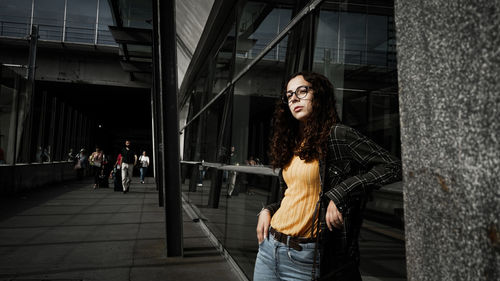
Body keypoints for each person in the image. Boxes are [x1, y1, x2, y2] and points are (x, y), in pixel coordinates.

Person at [253, 71, 402, 281]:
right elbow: (294, 197)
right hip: (269, 249)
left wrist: (339, 194)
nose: (294, 98)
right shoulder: (293, 143)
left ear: (319, 95)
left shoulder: (337, 135)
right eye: (289, 95)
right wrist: (267, 210)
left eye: (302, 91)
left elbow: (393, 166)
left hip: (305, 257)